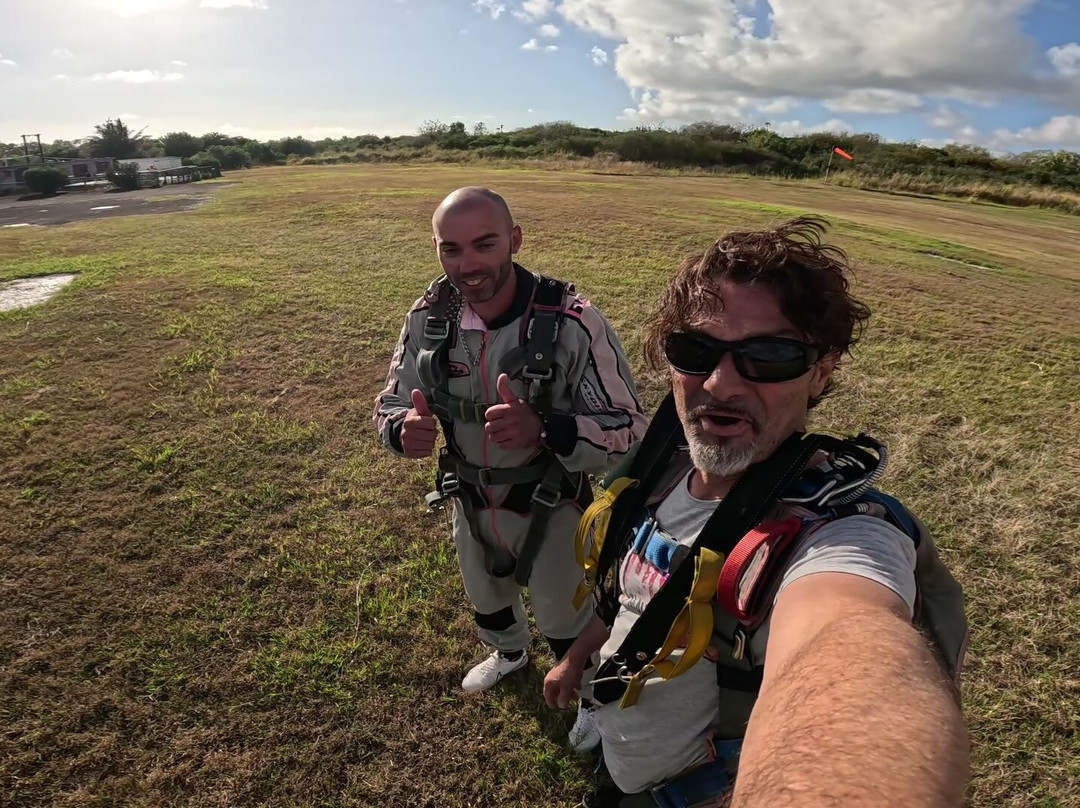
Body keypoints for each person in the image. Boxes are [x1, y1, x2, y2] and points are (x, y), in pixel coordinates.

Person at [544, 216, 970, 806]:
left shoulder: (834, 536)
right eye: (696, 350)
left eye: (769, 356)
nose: (720, 384)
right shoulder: (658, 474)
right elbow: (629, 598)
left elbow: (848, 636)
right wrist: (574, 660)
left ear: (821, 371)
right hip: (624, 759)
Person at [374, 187, 647, 752]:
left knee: (567, 610)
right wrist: (404, 430)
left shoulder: (572, 321)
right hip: (469, 497)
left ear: (515, 240)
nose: (467, 265)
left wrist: (546, 429)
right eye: (451, 249)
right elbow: (392, 402)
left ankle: (590, 695)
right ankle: (509, 652)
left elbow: (628, 427)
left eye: (485, 244)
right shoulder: (428, 318)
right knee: (486, 592)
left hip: (552, 501)